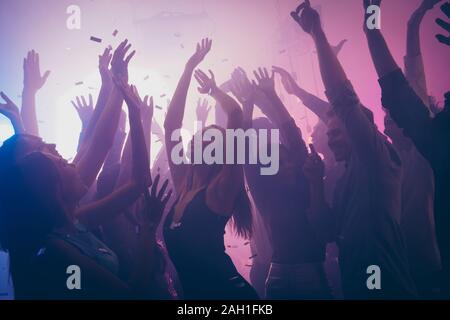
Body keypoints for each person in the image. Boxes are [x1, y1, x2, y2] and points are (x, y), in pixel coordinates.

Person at [292, 0, 416, 299]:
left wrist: (317, 36)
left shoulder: (377, 160)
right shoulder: (344, 176)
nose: (330, 138)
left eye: (337, 131)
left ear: (361, 127)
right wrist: (314, 184)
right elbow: (327, 233)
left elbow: (343, 100)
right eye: (328, 132)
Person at [364, 0, 450, 297]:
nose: (388, 121)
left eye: (392, 117)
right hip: (402, 267)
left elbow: (409, 80)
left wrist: (411, 23)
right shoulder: (389, 158)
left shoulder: (425, 151)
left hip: (432, 270)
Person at [163, 39, 258, 299]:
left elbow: (235, 115)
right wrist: (188, 68)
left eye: (209, 138)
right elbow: (171, 125)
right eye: (201, 135)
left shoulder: (220, 189)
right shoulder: (184, 182)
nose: (197, 138)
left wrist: (215, 90)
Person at [228, 66, 332, 299]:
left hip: (309, 270)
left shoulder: (307, 179)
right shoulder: (265, 192)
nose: (286, 165)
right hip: (279, 274)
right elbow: (244, 148)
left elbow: (291, 133)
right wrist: (247, 103)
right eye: (278, 163)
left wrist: (272, 95)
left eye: (288, 160)